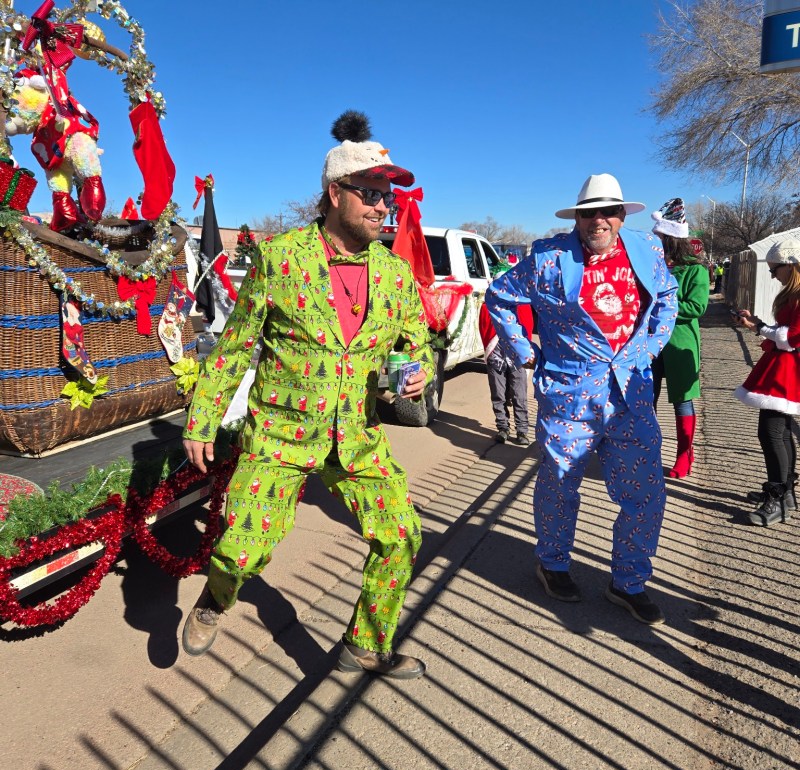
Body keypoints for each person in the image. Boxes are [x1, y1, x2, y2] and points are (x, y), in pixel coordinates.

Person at [181, 110, 434, 680]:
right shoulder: (281, 259)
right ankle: (217, 597)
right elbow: (233, 348)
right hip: (280, 433)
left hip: (357, 437)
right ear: (333, 194)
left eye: (386, 194)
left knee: (401, 537)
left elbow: (416, 339)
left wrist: (419, 371)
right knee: (240, 552)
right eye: (369, 193)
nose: (381, 205)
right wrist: (202, 419)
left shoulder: (394, 274)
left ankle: (366, 645)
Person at [486, 173, 678, 625]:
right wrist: (522, 348)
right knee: (558, 484)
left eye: (608, 212)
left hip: (630, 394)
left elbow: (667, 298)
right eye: (590, 213)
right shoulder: (548, 256)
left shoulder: (646, 249)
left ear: (620, 215)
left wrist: (649, 347)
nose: (599, 221)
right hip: (569, 394)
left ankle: (629, 582)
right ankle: (553, 565)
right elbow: (499, 295)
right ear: (578, 217)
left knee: (645, 493)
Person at [732, 238, 800, 526]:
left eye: (775, 270)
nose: (773, 275)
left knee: (771, 432)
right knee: (780, 431)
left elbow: (790, 337)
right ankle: (785, 495)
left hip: (789, 370)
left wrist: (759, 327)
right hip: (784, 368)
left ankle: (778, 497)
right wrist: (758, 325)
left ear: (791, 266)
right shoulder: (793, 293)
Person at [650, 198, 709, 478]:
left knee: (682, 402)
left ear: (672, 238)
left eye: (660, 236)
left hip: (680, 343)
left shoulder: (695, 269)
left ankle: (684, 456)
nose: (656, 239)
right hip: (650, 344)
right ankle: (646, 452)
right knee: (645, 400)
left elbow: (697, 307)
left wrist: (663, 307)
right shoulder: (652, 266)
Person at [478, 262, 535, 445]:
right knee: (498, 393)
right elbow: (484, 328)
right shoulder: (487, 305)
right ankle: (502, 427)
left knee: (519, 394)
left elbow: (527, 327)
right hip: (495, 354)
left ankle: (522, 430)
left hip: (516, 356)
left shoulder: (522, 305)